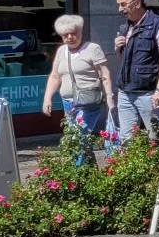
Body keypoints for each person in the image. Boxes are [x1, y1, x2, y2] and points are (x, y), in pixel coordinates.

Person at [42, 14, 113, 162]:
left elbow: (104, 73)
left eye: (73, 33)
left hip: (89, 103)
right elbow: (55, 76)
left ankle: (76, 175)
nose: (69, 37)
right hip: (68, 102)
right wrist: (47, 98)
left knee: (78, 137)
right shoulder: (62, 51)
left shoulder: (93, 49)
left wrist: (110, 97)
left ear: (80, 32)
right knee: (77, 139)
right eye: (65, 35)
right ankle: (89, 173)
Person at [112, 0, 159, 143]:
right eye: (118, 5)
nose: (120, 9)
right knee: (126, 140)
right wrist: (118, 50)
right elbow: (124, 62)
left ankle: (158, 168)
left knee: (154, 138)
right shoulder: (124, 27)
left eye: (123, 4)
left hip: (149, 93)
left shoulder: (158, 25)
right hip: (125, 92)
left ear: (137, 3)